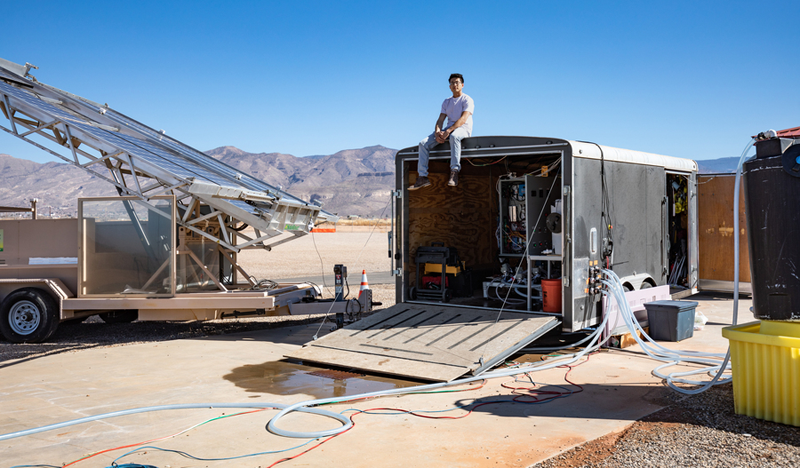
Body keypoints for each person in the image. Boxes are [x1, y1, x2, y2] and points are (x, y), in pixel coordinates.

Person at [409, 73, 474, 190]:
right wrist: (437, 132)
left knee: (454, 137)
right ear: (449, 86)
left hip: (463, 129)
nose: (455, 85)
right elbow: (440, 120)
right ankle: (423, 177)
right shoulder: (446, 102)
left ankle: (454, 172)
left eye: (457, 82)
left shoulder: (467, 99)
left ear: (462, 85)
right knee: (423, 144)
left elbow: (463, 119)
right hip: (448, 130)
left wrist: (448, 131)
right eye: (452, 83)